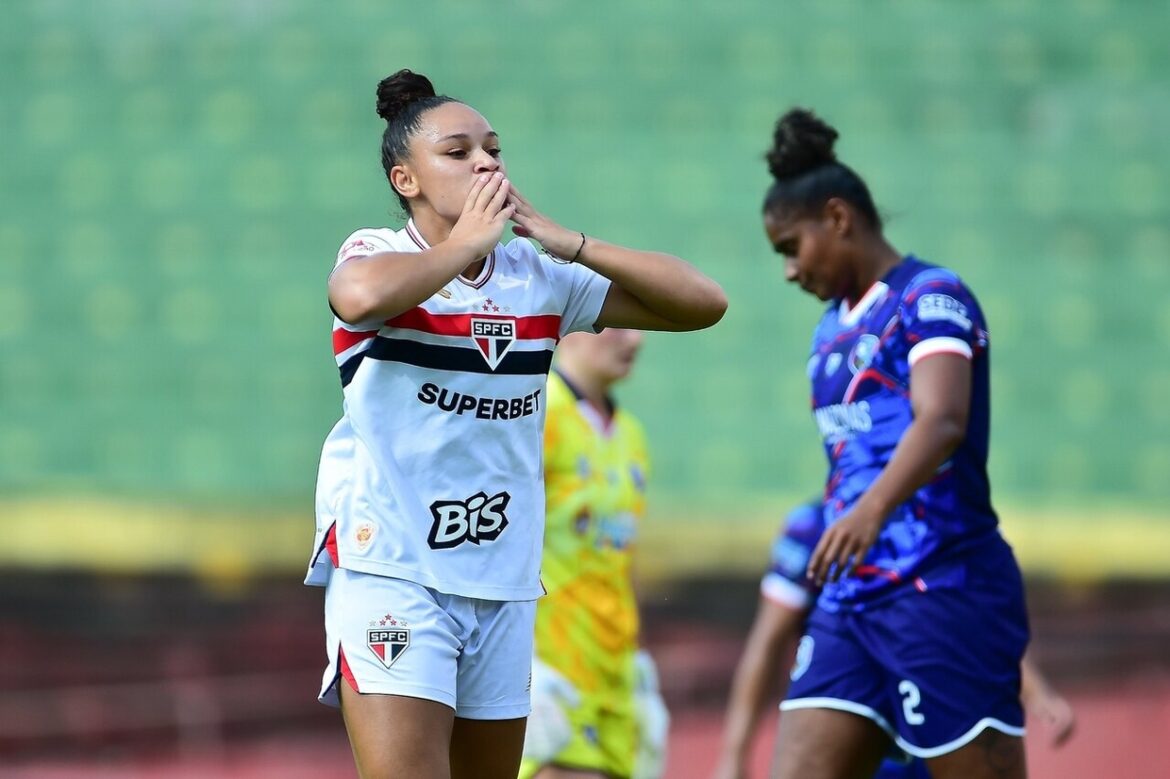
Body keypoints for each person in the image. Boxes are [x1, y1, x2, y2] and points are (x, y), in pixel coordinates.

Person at [304, 70, 727, 779]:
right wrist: (465, 246)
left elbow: (702, 303)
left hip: (502, 582)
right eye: (459, 152)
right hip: (394, 571)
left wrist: (572, 242)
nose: (486, 164)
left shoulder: (537, 276)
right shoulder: (377, 251)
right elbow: (354, 297)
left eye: (493, 150)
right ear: (406, 179)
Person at [758, 107, 1032, 779]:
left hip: (941, 586)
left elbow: (942, 420)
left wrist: (869, 512)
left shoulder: (930, 297)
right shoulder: (828, 334)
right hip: (851, 601)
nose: (789, 270)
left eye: (792, 247)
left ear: (837, 218)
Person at [711, 502, 1077, 779]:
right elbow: (767, 641)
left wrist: (1036, 691)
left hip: (932, 716)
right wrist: (734, 756)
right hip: (850, 716)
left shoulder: (941, 527)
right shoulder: (812, 528)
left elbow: (972, 626)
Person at [519, 328, 670, 779]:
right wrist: (519, 664)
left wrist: (639, 662)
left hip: (616, 674)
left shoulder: (632, 435)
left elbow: (623, 558)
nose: (636, 339)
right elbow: (494, 540)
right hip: (554, 668)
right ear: (571, 325)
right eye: (617, 324)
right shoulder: (535, 412)